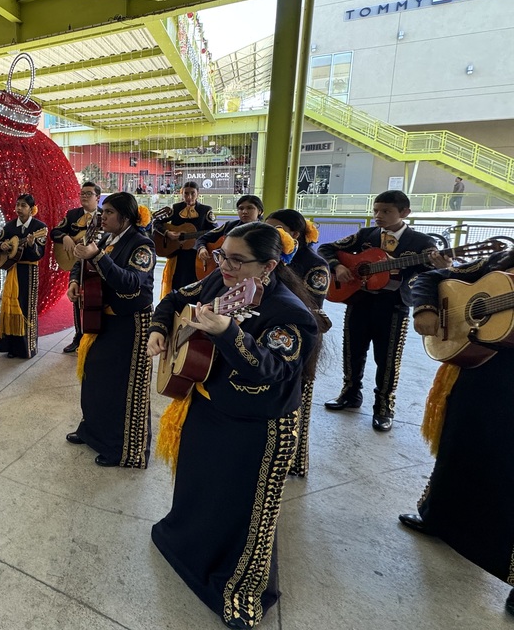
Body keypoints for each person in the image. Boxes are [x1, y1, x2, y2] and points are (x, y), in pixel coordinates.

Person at [147, 222, 321, 629]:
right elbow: (174, 298)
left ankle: (239, 589)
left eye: (237, 260)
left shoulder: (290, 314)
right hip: (208, 409)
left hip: (257, 429)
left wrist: (228, 332)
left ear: (269, 266)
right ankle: (188, 549)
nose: (223, 265)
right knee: (199, 488)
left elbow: (272, 370)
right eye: (223, 255)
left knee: (244, 511)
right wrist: (159, 329)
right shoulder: (217, 283)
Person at [401, 248, 514, 618]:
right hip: (477, 373)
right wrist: (426, 309)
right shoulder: (503, 260)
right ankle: (438, 517)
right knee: (457, 447)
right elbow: (430, 278)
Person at [317, 190, 445, 431]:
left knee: (387, 357)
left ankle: (384, 405)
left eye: (386, 211)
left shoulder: (422, 243)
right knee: (352, 349)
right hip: (359, 300)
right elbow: (326, 248)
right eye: (376, 210)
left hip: (394, 305)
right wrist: (338, 267)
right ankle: (350, 393)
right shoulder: (367, 235)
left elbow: (432, 272)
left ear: (405, 213)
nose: (378, 216)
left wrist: (441, 264)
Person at [65, 192, 155, 468]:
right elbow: (83, 263)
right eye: (103, 212)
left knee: (125, 387)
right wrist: (74, 281)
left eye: (109, 213)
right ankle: (93, 433)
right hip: (102, 320)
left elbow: (130, 283)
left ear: (125, 218)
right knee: (95, 377)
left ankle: (124, 449)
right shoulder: (106, 238)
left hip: (130, 324)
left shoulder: (143, 246)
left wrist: (99, 256)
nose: (102, 217)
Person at [264, 208, 331, 478]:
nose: (270, 233)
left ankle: (294, 461)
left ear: (294, 234)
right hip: (270, 335)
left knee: (297, 399)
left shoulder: (315, 264)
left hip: (302, 338)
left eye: (276, 228)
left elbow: (313, 307)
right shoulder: (269, 255)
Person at [0, 193, 47, 359]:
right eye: (18, 205)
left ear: (31, 209)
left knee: (26, 308)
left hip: (28, 272)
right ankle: (11, 346)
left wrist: (31, 245)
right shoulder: (9, 226)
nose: (19, 209)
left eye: (23, 205)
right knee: (9, 306)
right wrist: (2, 244)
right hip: (11, 270)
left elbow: (39, 254)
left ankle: (27, 348)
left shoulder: (39, 228)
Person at [51, 181, 102, 354]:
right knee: (77, 298)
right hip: (77, 265)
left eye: (89, 194)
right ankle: (78, 336)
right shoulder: (73, 215)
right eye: (82, 193)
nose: (84, 196)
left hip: (98, 266)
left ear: (98, 197)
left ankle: (96, 336)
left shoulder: (105, 217)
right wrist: (65, 237)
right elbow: (54, 232)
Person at [157, 180, 218, 297]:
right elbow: (157, 223)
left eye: (192, 193)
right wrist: (167, 232)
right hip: (177, 255)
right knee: (177, 285)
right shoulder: (175, 209)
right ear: (182, 194)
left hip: (196, 256)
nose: (189, 197)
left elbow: (214, 231)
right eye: (186, 193)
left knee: (194, 285)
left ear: (198, 194)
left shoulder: (205, 210)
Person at [194, 194, 264, 271]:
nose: (244, 212)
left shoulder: (264, 231)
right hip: (219, 269)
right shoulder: (229, 225)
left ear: (260, 211)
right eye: (241, 208)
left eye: (250, 208)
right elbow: (202, 238)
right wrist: (202, 249)